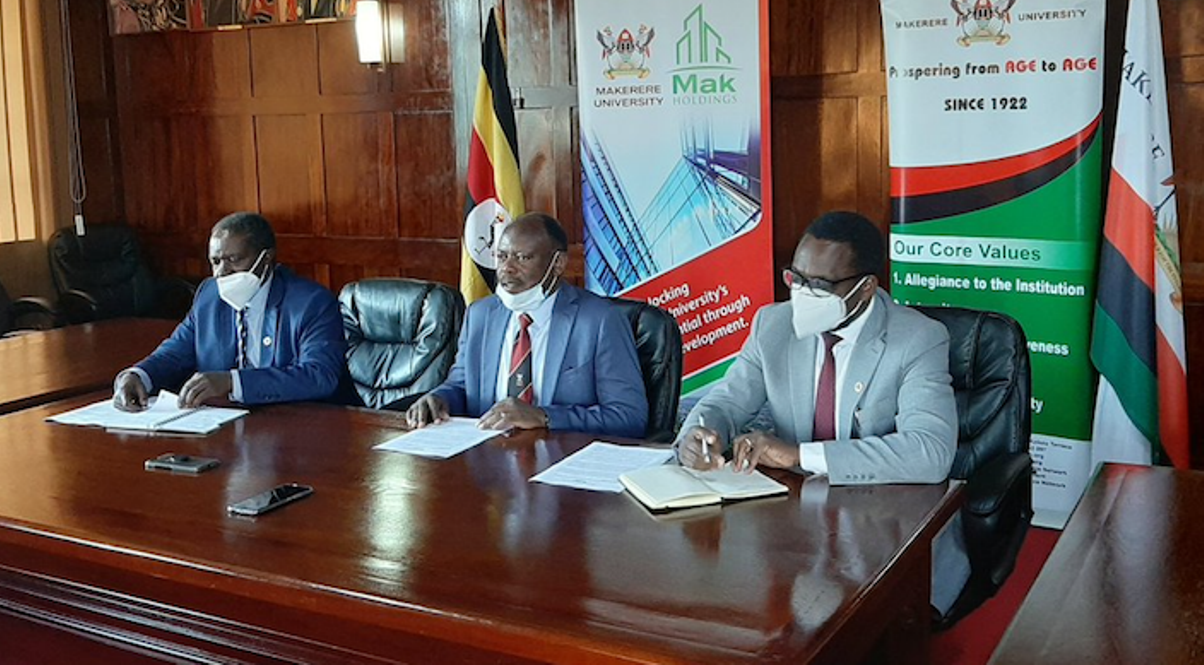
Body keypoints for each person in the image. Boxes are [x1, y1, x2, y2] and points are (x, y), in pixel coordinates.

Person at [675, 210, 966, 615]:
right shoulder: (772, 325)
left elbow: (930, 453)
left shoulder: (917, 339)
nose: (803, 294)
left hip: (886, 537)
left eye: (821, 285)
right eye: (797, 278)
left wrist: (798, 455)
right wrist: (700, 434)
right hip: (792, 533)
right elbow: (726, 401)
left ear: (865, 288)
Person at [405, 213, 648, 437]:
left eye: (523, 258)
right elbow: (460, 386)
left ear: (558, 263)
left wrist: (545, 416)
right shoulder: (480, 314)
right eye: (502, 256)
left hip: (560, 464)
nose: (507, 269)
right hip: (486, 460)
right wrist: (439, 399)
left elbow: (628, 416)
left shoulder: (601, 320)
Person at [113, 212, 347, 410]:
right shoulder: (209, 296)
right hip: (225, 424)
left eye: (233, 259)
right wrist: (138, 375)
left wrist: (233, 382)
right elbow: (175, 353)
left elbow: (319, 375)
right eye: (215, 261)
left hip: (297, 426)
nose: (221, 272)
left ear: (265, 259)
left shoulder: (311, 302)